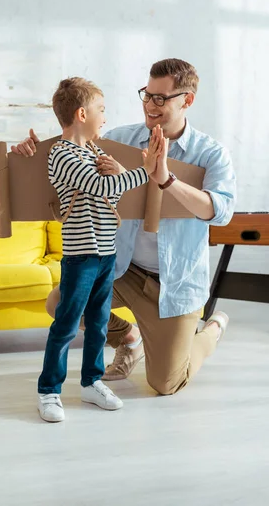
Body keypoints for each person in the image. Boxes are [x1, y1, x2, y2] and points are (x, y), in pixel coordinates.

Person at [12, 58, 236, 397]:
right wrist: (31, 153)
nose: (150, 104)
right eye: (147, 95)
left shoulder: (210, 154)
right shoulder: (118, 139)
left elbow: (220, 212)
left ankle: (213, 329)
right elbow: (72, 148)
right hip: (123, 269)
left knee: (165, 383)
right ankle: (129, 340)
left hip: (173, 284)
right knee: (60, 302)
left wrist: (166, 179)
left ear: (186, 100)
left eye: (161, 98)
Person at [36, 77, 163, 422]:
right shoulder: (62, 154)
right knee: (65, 323)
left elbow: (112, 192)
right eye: (101, 110)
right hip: (81, 256)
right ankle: (49, 390)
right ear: (81, 114)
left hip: (107, 253)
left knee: (98, 323)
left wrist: (123, 173)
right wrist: (147, 171)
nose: (105, 117)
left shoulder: (94, 151)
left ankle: (91, 382)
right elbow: (100, 185)